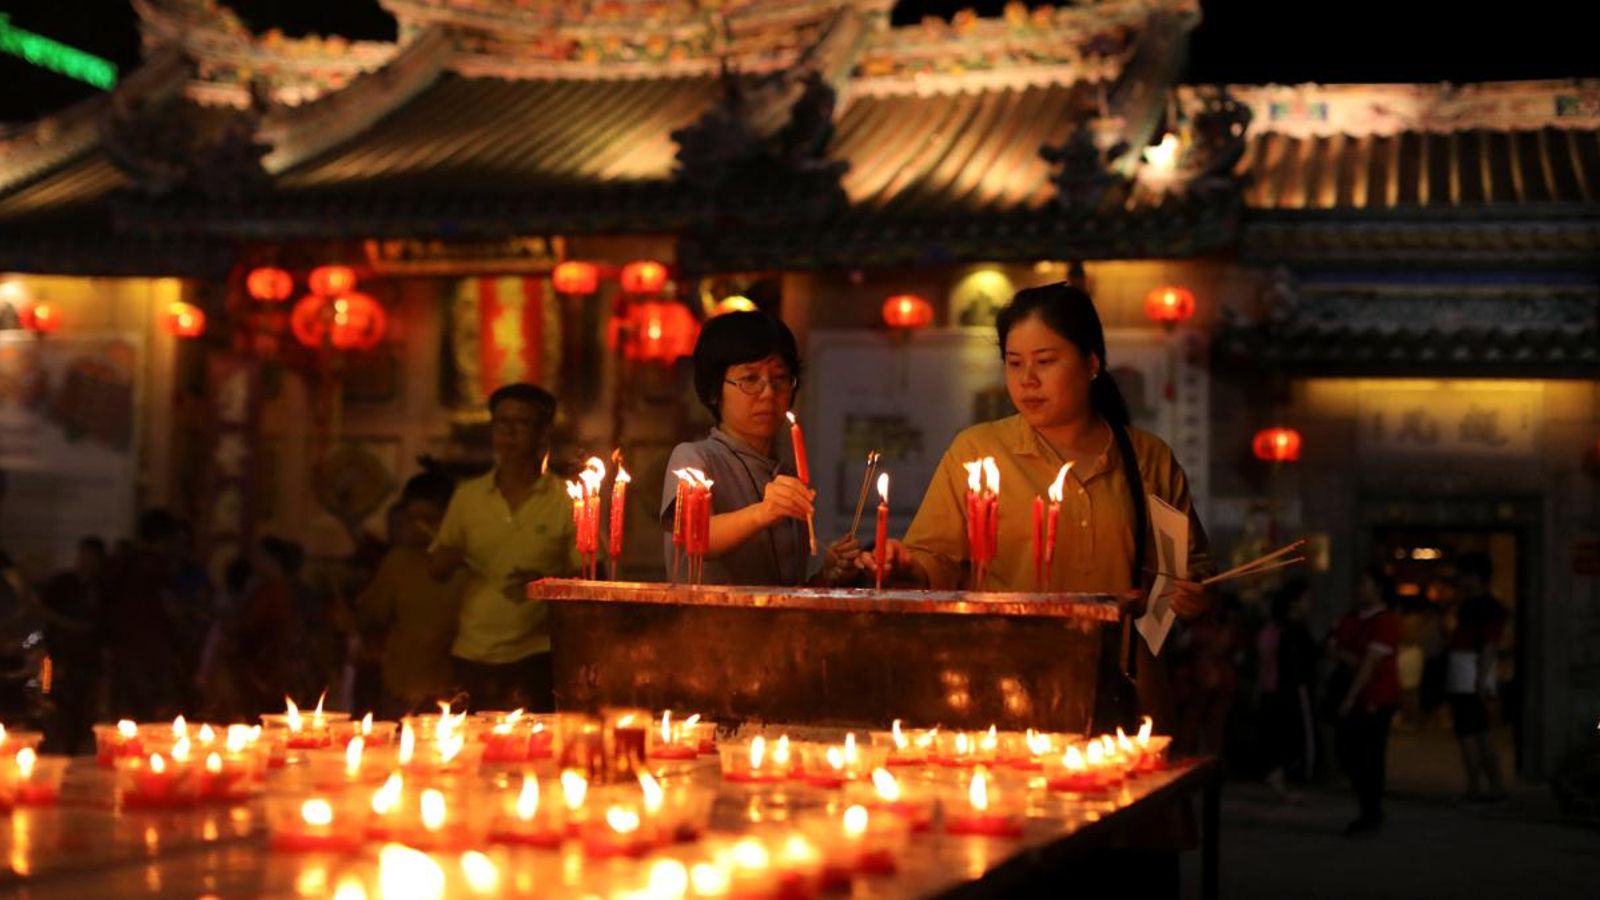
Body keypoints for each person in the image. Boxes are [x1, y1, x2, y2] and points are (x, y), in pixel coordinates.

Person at [868, 283, 1213, 896]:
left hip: (1123, 712)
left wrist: (1192, 595)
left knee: (1125, 873)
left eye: (1046, 362)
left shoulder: (1147, 459)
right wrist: (902, 563)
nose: (1027, 381)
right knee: (1020, 868)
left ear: (1091, 363)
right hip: (1007, 703)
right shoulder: (979, 453)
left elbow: (1188, 573)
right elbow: (938, 561)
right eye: (1015, 364)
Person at [659, 311, 858, 586]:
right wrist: (763, 512)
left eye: (780, 380)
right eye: (750, 379)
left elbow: (784, 591)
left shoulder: (784, 474)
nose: (768, 393)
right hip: (707, 626)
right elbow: (695, 537)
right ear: (715, 391)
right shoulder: (695, 458)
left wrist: (828, 574)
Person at [429, 383, 580, 712]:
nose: (508, 433)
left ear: (543, 432)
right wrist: (449, 557)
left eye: (521, 423)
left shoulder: (567, 498)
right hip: (471, 652)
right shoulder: (469, 495)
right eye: (501, 423)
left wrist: (546, 583)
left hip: (536, 654)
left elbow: (592, 573)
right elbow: (437, 568)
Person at [358, 472, 466, 716]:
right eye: (411, 518)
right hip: (399, 691)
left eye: (429, 519)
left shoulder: (469, 564)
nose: (418, 527)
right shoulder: (398, 561)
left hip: (452, 693)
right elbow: (373, 617)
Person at [1330, 564, 1401, 835]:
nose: (1359, 588)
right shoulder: (1353, 617)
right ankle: (1369, 807)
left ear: (1378, 589)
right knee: (1347, 752)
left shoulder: (1384, 621)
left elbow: (1368, 664)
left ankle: (1370, 812)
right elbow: (1334, 648)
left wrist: (1350, 695)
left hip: (1376, 698)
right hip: (1357, 696)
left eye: (1364, 583)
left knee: (1370, 757)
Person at [102, 509, 184, 721]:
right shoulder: (159, 567)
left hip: (121, 642)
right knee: (150, 709)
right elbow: (170, 607)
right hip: (151, 646)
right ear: (166, 538)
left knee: (122, 708)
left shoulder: (121, 561)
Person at [34, 537, 106, 753]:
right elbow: (41, 608)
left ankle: (72, 746)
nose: (87, 561)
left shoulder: (101, 587)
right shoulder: (63, 582)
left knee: (82, 706)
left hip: (86, 659)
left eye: (92, 558)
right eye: (84, 556)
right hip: (57, 653)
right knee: (52, 698)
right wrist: (67, 625)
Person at [1448, 551, 1507, 802]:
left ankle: (1482, 787)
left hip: (1470, 674)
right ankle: (1491, 786)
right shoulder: (1471, 604)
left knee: (1471, 732)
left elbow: (1489, 646)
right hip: (1466, 672)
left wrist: (1482, 680)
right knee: (1477, 732)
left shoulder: (1487, 607)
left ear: (1475, 577)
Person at [1258, 578, 1318, 800]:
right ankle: (1282, 779)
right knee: (1293, 738)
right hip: (1289, 690)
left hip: (1274, 690)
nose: (1309, 604)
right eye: (1306, 599)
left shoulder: (1275, 628)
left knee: (1279, 737)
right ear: (1294, 602)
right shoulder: (1291, 630)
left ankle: (1278, 778)